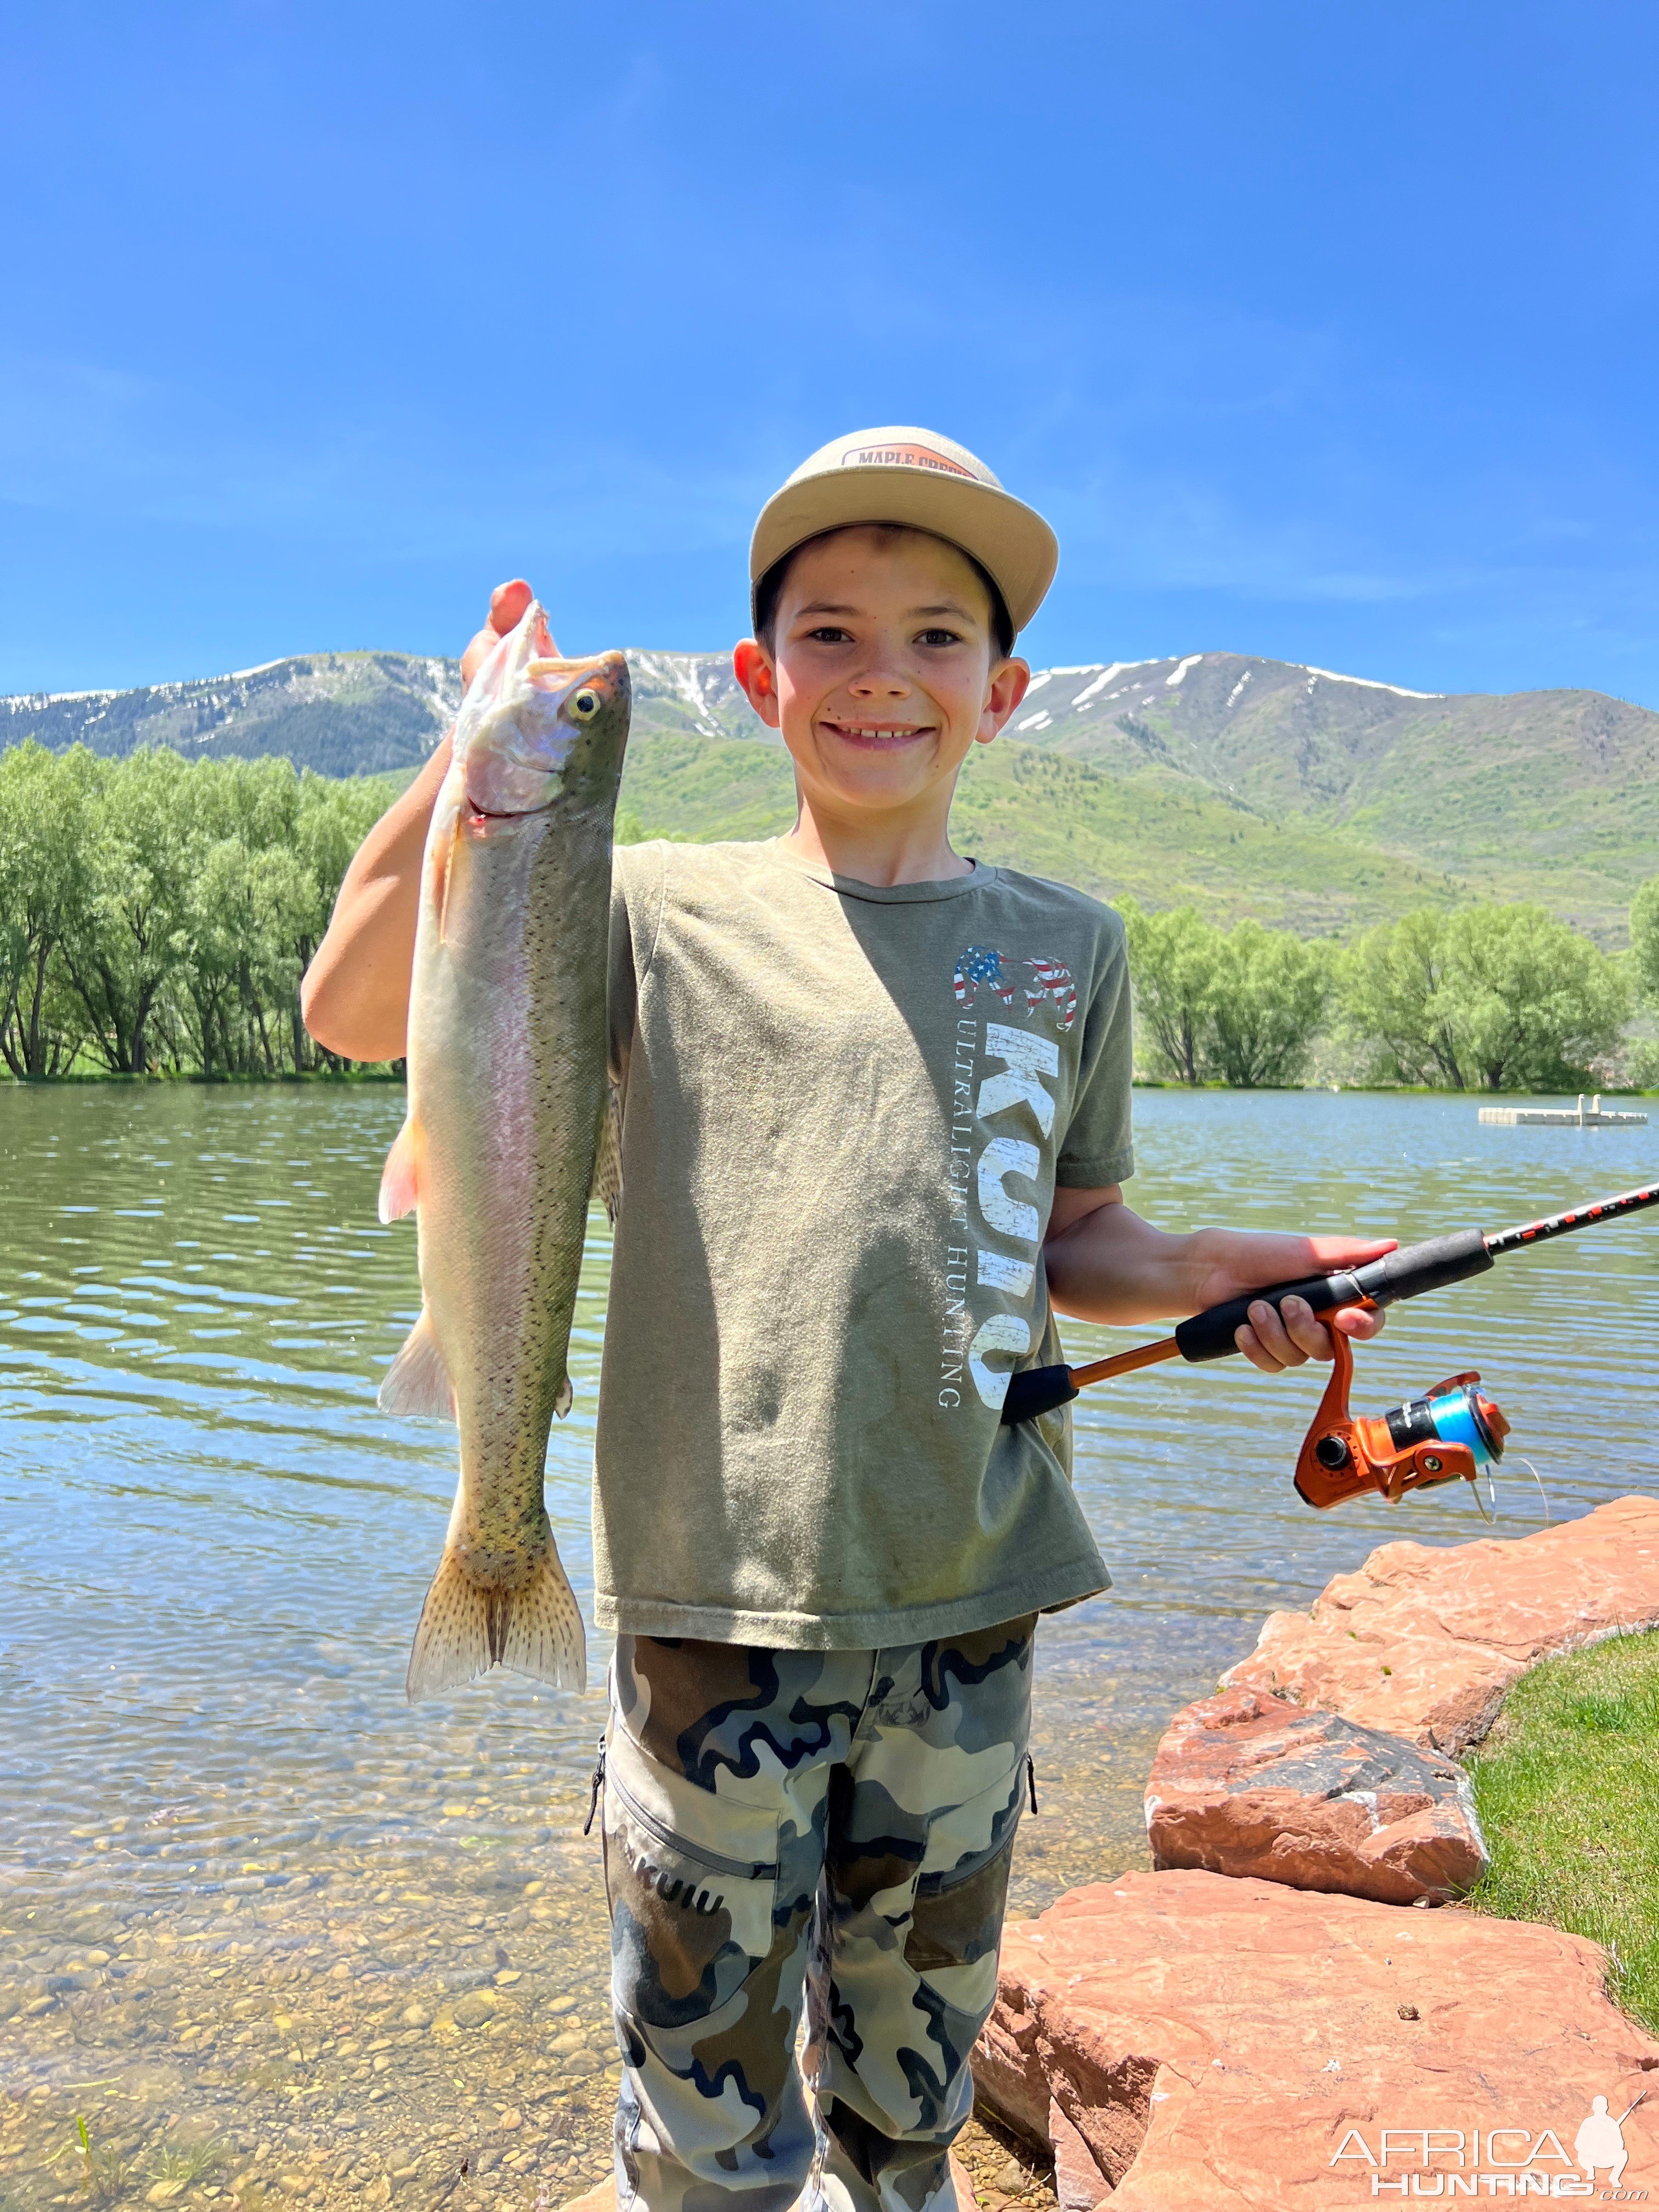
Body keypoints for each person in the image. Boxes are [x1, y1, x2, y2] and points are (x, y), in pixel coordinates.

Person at [302, 425, 1391, 2212]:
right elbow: (358, 1008)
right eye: (830, 632)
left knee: (913, 2098)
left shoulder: (1072, 947)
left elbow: (1076, 1232)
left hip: (972, 1601)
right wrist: (469, 757)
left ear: (1006, 690)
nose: (882, 671)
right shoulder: (641, 904)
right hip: (705, 1600)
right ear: (755, 680)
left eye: (935, 636)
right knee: (708, 2125)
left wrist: (1218, 1274)